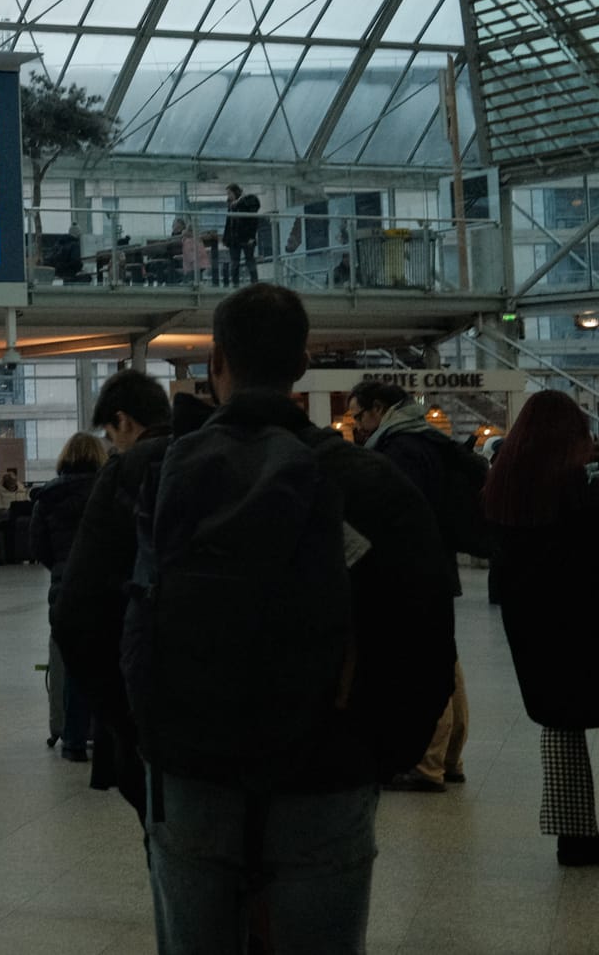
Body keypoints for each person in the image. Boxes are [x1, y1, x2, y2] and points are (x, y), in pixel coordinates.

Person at [114, 286, 454, 950]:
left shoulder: (151, 472)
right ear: (302, 362)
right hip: (325, 775)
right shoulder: (370, 480)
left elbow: (82, 618)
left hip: (189, 773)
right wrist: (370, 756)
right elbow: (425, 640)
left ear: (216, 361)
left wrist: (150, 751)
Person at [480, 389, 599, 866]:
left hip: (535, 631)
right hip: (588, 622)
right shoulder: (581, 491)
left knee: (561, 727)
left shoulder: (503, 487)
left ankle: (574, 839)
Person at [54, 368, 178, 819]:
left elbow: (76, 615)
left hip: (147, 694)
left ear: (123, 420)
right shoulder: (209, 456)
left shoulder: (126, 472)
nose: (112, 444)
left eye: (111, 432)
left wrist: (118, 717)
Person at [347, 380, 474, 793]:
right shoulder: (427, 439)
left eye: (359, 415)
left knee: (425, 660)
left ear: (378, 408)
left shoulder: (400, 449)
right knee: (446, 657)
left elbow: (397, 513)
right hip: (437, 563)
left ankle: (428, 764)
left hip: (414, 568)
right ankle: (449, 758)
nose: (357, 425)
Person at [30, 432, 106, 762]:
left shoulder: (47, 495)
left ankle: (73, 741)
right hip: (105, 584)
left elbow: (38, 546)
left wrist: (61, 567)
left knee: (73, 664)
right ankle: (107, 740)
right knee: (109, 663)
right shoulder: (109, 489)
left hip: (65, 585)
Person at [219, 183, 261, 286]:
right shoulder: (232, 206)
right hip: (235, 238)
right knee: (235, 262)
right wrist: (226, 238)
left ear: (235, 192)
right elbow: (228, 223)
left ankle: (254, 283)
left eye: (229, 193)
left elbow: (253, 220)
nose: (228, 196)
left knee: (249, 260)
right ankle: (236, 284)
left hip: (245, 237)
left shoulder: (246, 202)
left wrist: (251, 236)